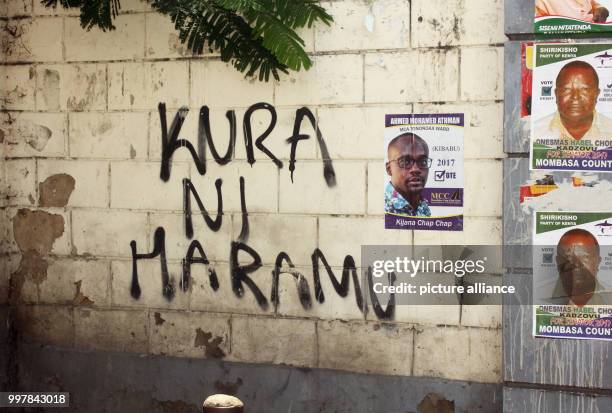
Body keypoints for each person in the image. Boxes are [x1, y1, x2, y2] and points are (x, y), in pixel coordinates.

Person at [533, 60, 612, 142]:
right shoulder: (535, 132)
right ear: (556, 94)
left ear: (596, 94)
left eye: (584, 89)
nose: (575, 97)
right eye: (566, 89)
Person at [548, 228, 611, 305]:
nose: (577, 264)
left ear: (598, 262)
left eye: (585, 257)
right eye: (569, 258)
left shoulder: (609, 300)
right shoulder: (538, 298)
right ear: (558, 262)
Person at [385, 133, 431, 217]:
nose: (416, 169)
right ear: (389, 169)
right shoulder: (383, 208)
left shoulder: (423, 205)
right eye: (405, 162)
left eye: (423, 162)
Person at [535, 0, 610, 23]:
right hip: (563, 44)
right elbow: (541, 25)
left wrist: (600, 9)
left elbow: (594, 5)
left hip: (590, 37)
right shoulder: (541, 2)